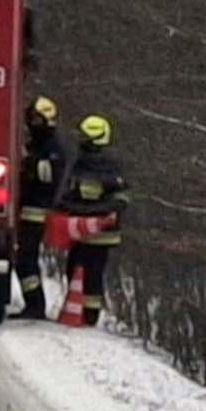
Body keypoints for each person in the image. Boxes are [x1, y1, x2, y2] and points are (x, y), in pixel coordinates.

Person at [60, 113, 129, 327]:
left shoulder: (107, 166)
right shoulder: (84, 163)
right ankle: (80, 311)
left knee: (91, 274)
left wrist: (91, 212)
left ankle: (89, 317)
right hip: (83, 229)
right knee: (79, 270)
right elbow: (69, 192)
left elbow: (120, 198)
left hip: (98, 232)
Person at [15, 95, 66, 319]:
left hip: (37, 209)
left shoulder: (52, 148)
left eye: (36, 119)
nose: (31, 123)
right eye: (31, 118)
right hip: (28, 208)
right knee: (24, 259)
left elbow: (48, 175)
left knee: (26, 259)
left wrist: (27, 162)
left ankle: (35, 306)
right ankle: (33, 304)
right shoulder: (38, 144)